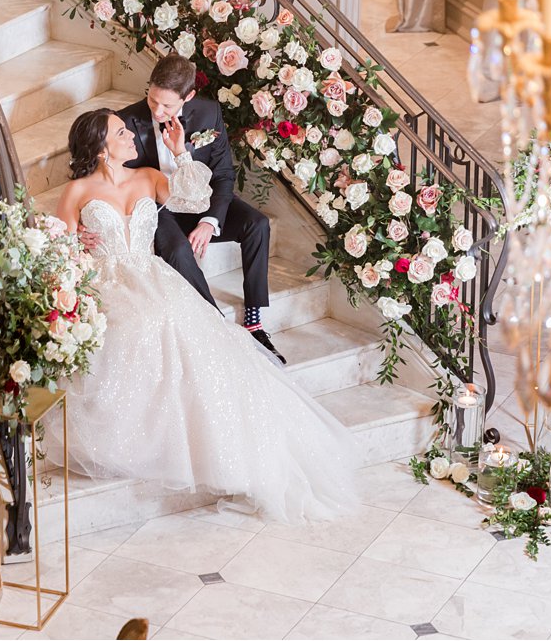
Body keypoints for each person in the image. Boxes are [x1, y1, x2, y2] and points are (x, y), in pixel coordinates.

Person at [54, 108, 359, 524]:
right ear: (102, 146)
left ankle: (205, 439)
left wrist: (180, 153)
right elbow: (59, 250)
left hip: (151, 274)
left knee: (178, 321)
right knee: (134, 324)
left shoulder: (148, 177)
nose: (131, 136)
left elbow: (194, 200)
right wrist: (78, 243)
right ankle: (142, 439)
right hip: (105, 281)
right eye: (121, 132)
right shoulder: (76, 191)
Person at [108, 54, 284, 363]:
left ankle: (254, 322)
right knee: (177, 250)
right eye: (152, 100)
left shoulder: (208, 113)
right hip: (158, 209)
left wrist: (210, 221)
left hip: (200, 202)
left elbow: (224, 175)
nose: (158, 110)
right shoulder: (126, 121)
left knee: (257, 225)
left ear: (188, 97)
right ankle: (217, 324)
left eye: (167, 105)